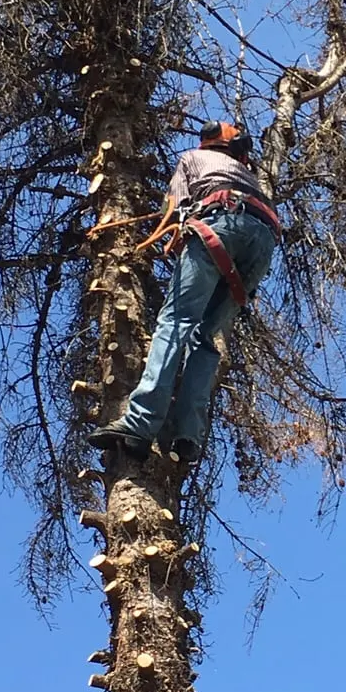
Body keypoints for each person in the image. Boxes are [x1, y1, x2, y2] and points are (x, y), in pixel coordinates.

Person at [88, 121, 279, 464]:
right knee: (206, 339)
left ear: (208, 142)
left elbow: (172, 209)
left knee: (175, 321)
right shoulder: (248, 175)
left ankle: (140, 422)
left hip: (219, 223)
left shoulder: (192, 158)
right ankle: (188, 435)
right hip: (263, 241)